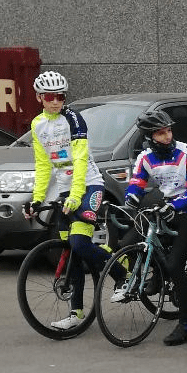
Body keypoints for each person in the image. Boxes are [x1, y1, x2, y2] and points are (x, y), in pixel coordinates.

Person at [23, 71, 120, 330]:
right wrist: (37, 200)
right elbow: (43, 165)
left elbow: (80, 159)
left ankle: (122, 271)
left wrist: (76, 196)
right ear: (39, 97)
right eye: (50, 97)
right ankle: (76, 313)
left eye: (61, 96)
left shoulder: (74, 119)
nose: (56, 101)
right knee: (71, 251)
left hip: (89, 185)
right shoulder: (37, 124)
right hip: (66, 190)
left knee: (79, 243)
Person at [120, 109, 187, 346]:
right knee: (131, 242)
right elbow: (137, 183)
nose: (167, 136)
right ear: (149, 137)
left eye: (168, 130)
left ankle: (186, 325)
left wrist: (177, 205)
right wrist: (131, 197)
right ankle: (158, 274)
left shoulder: (186, 151)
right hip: (167, 206)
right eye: (161, 133)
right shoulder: (145, 157)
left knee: (175, 264)